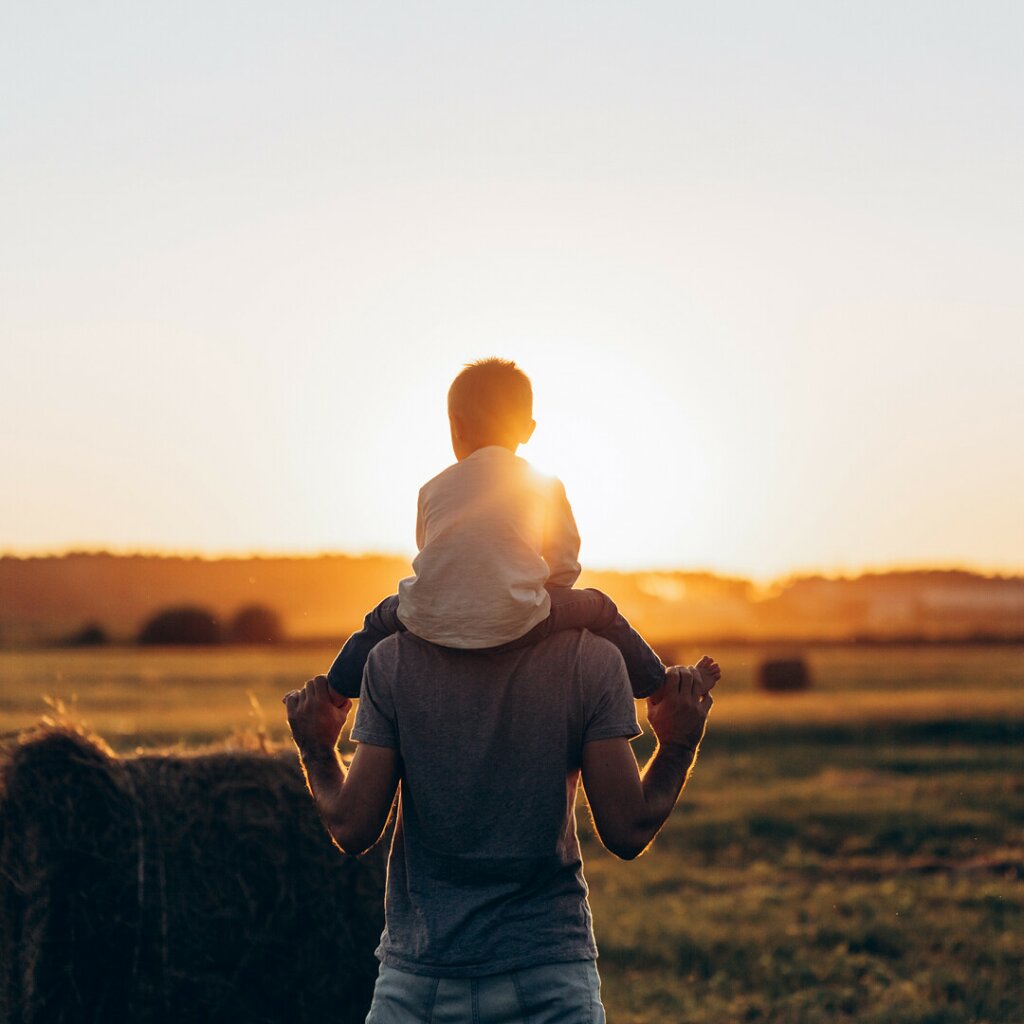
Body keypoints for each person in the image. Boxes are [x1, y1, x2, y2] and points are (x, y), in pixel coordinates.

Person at [284, 630, 715, 1022]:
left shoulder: (391, 658)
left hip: (418, 986)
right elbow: (628, 830)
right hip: (549, 979)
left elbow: (353, 827)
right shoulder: (593, 657)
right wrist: (678, 744)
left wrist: (317, 747)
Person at [327, 357, 719, 702]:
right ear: (528, 429)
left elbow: (428, 551)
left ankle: (333, 690)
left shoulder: (430, 488)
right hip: (518, 621)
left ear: (455, 426)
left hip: (428, 615)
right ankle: (659, 684)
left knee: (378, 620)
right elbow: (565, 563)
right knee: (600, 606)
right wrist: (537, 592)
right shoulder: (544, 484)